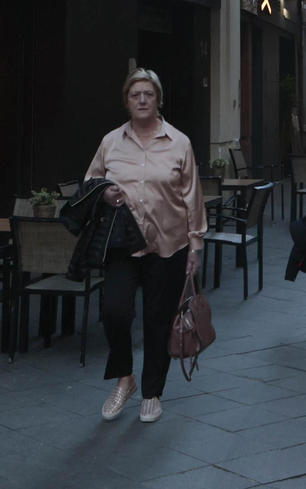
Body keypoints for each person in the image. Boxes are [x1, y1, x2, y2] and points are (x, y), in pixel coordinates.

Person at [86, 69, 204, 424]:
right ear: (126, 100)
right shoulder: (111, 142)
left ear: (158, 100)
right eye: (135, 94)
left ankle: (152, 391)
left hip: (168, 244)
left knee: (158, 319)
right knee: (114, 312)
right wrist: (104, 192)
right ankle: (126, 378)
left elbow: (192, 198)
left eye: (148, 95)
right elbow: (91, 180)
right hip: (122, 245)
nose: (141, 100)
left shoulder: (179, 142)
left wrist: (195, 246)